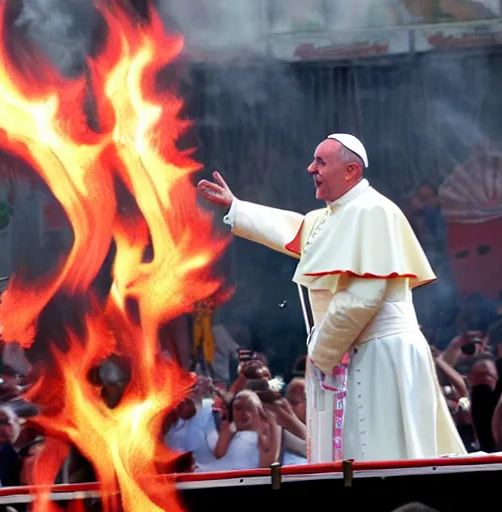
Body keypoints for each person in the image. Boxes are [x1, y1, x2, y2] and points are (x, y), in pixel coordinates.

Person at [198, 133, 466, 462]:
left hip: (380, 353)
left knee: (385, 456)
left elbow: (364, 298)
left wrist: (320, 353)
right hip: (351, 349)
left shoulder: (375, 211)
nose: (311, 168)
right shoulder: (331, 215)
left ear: (351, 170)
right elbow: (292, 231)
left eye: (321, 162)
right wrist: (235, 207)